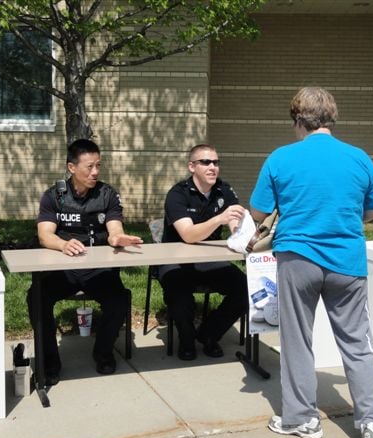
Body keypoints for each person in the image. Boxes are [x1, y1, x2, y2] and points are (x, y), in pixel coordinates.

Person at [249, 87, 373, 438]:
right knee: (358, 342)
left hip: (297, 259)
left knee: (297, 340)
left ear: (298, 120)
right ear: (331, 118)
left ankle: (301, 419)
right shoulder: (359, 158)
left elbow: (257, 212)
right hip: (347, 261)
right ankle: (372, 425)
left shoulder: (280, 158)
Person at [27, 139, 143, 383]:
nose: (95, 172)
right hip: (64, 269)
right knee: (36, 297)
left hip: (97, 270)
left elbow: (114, 228)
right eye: (89, 167)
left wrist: (118, 238)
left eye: (98, 166)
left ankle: (103, 353)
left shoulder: (107, 194)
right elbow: (44, 234)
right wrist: (62, 244)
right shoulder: (53, 196)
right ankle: (49, 361)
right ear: (71, 168)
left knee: (118, 299)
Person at [160, 144, 249, 361]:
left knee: (247, 289)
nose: (213, 167)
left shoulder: (224, 191)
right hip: (175, 262)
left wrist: (246, 234)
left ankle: (209, 334)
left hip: (210, 260)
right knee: (180, 299)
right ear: (192, 166)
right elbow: (188, 235)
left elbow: (236, 229)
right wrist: (219, 218)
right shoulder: (177, 193)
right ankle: (187, 340)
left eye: (216, 162)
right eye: (206, 162)